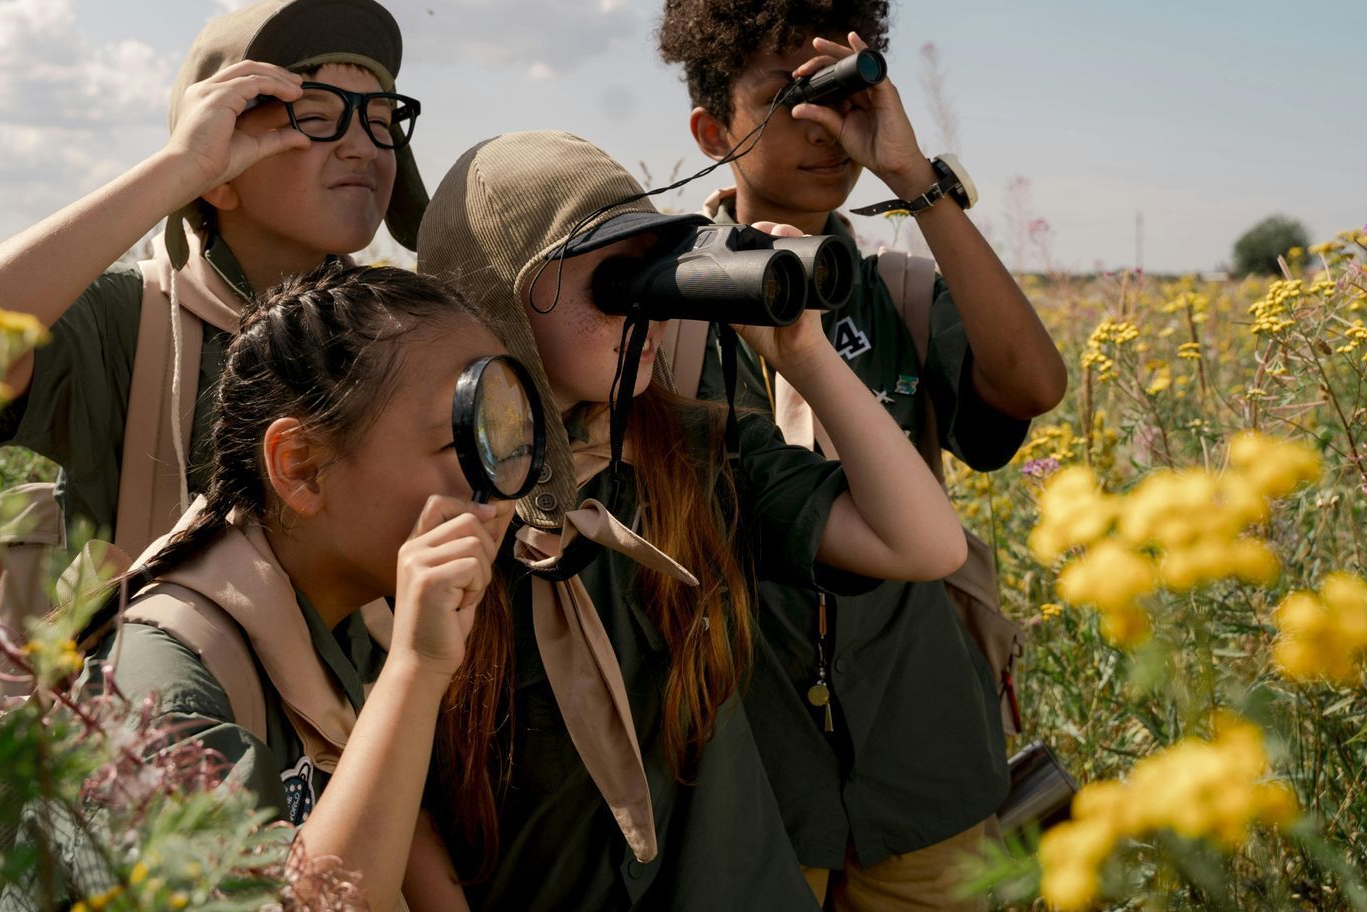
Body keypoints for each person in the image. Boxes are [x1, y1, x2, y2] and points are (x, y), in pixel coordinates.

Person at [416, 130, 971, 911]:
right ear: (500, 301)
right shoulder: (425, 497)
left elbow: (923, 543)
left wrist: (804, 356)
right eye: (616, 283)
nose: (644, 306)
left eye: (656, 274)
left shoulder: (693, 453)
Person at [656, 0, 1067, 910]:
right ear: (712, 131)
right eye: (781, 102)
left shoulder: (899, 289)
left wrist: (908, 172)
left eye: (835, 98)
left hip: (922, 757)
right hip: (750, 774)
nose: (818, 131)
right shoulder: (664, 305)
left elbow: (1031, 386)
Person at [32, 263, 516, 912]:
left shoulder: (339, 616)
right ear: (301, 469)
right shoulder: (160, 688)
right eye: (460, 442)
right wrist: (417, 670)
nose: (496, 482)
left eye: (501, 439)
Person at [0, 0, 428, 562]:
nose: (361, 146)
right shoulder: (132, 326)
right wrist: (179, 170)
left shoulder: (402, 335)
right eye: (313, 117)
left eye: (380, 120)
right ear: (219, 166)